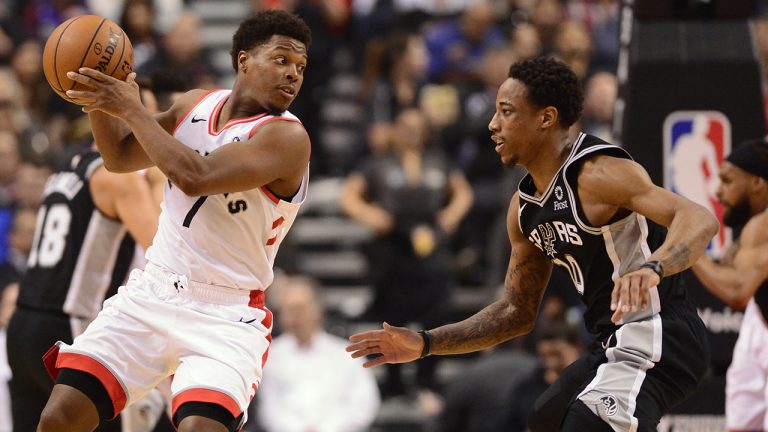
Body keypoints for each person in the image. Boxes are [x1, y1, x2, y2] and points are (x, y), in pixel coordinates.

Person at [347, 57, 719, 431]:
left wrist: (654, 267)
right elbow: (516, 312)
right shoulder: (523, 210)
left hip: (659, 333)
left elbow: (699, 218)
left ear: (546, 118)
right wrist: (425, 343)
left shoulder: (599, 173)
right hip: (610, 339)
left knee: (587, 423)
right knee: (545, 418)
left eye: (506, 112)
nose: (493, 124)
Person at [35, 10, 312, 432]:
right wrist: (98, 97)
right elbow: (119, 157)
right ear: (243, 60)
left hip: (226, 314)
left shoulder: (287, 137)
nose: (293, 74)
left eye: (300, 67)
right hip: (154, 291)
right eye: (281, 60)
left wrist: (132, 108)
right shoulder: (193, 104)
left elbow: (194, 176)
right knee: (59, 418)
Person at [6, 149, 163, 432]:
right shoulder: (119, 179)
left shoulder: (65, 166)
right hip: (69, 325)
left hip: (23, 323)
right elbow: (162, 251)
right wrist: (157, 182)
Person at [340, 107, 473, 403]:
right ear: (395, 130)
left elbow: (464, 192)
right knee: (392, 316)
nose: (412, 132)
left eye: (418, 127)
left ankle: (427, 383)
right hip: (393, 245)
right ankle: (394, 384)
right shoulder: (378, 163)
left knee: (436, 314)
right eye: (406, 126)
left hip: (430, 242)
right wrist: (371, 215)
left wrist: (450, 215)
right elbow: (348, 196)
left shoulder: (439, 161)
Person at [691, 139, 768, 431]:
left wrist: (689, 249)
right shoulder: (755, 228)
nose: (718, 191)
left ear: (757, 182)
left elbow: (737, 292)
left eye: (727, 181)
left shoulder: (762, 227)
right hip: (760, 321)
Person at [257, 275, 380, 432]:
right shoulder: (270, 355)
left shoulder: (347, 353)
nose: (293, 317)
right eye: (287, 310)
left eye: (298, 309)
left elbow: (364, 403)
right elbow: (269, 407)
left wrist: (327, 429)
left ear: (317, 310)